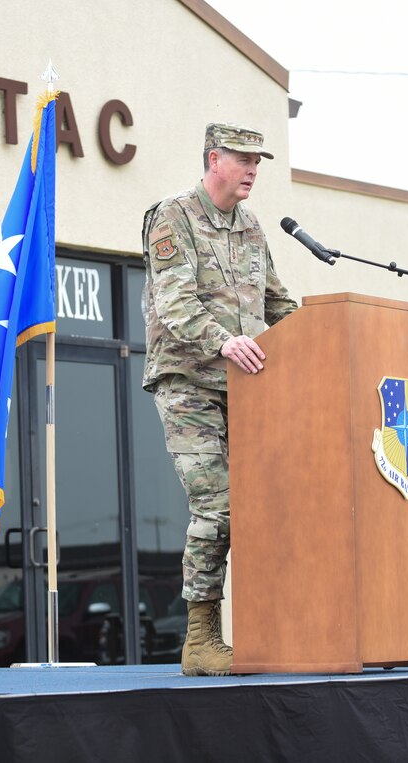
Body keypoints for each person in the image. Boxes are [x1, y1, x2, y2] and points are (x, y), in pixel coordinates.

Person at [141, 122, 298, 676]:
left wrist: (324, 334)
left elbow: (275, 305)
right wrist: (224, 340)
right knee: (219, 506)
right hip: (189, 381)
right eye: (243, 158)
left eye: (259, 160)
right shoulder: (173, 216)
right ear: (214, 159)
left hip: (246, 386)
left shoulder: (252, 227)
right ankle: (201, 638)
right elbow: (174, 302)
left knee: (267, 505)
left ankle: (271, 624)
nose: (254, 169)